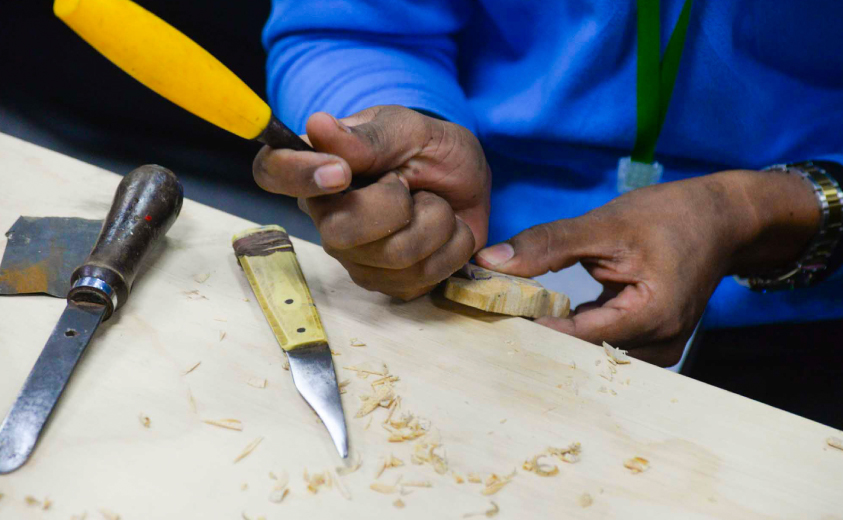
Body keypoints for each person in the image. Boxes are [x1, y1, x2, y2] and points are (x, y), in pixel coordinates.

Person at [252, 1, 843, 367]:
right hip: (453, 256)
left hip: (800, 323)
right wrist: (395, 141)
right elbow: (353, 27)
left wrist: (754, 210)